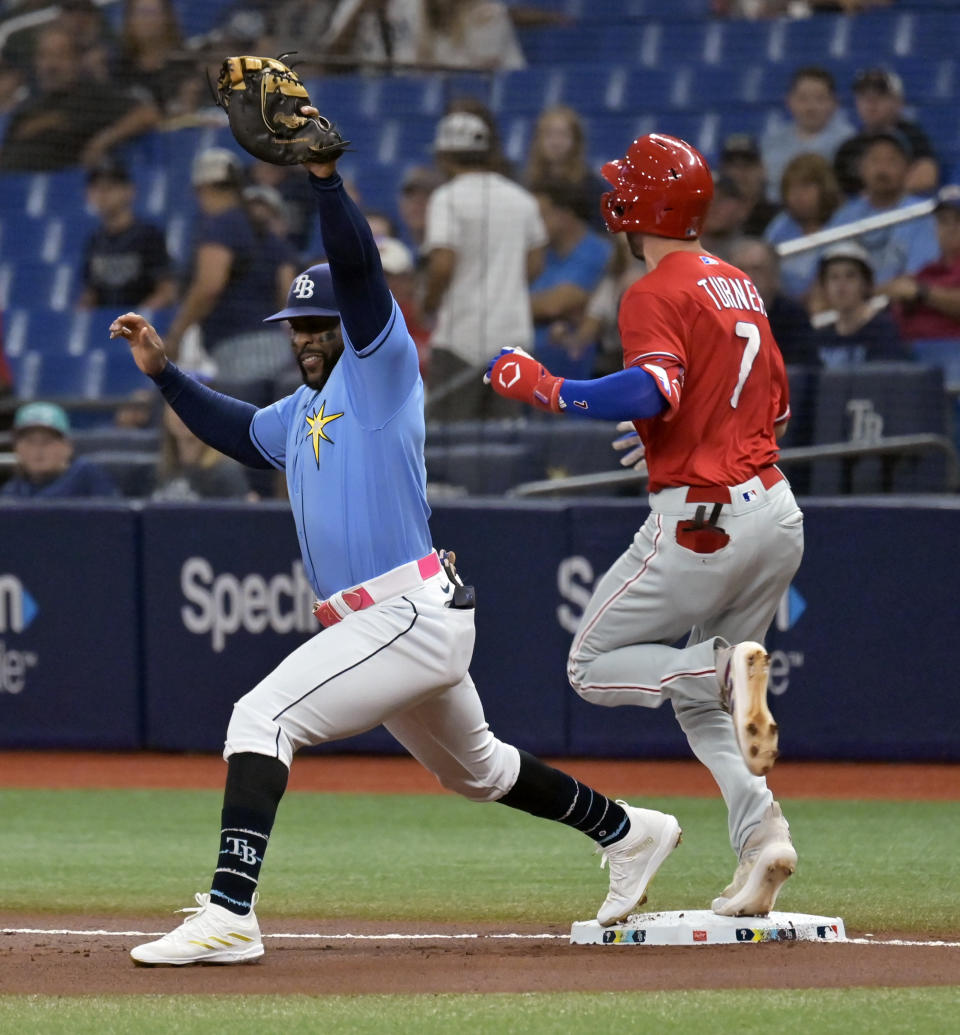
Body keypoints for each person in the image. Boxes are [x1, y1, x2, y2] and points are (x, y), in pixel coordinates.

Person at [113, 121, 684, 967]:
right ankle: (630, 830)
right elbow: (237, 431)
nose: (305, 335)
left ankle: (232, 911)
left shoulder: (378, 371)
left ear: (347, 325)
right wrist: (165, 374)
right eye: (295, 325)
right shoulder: (300, 409)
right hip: (393, 619)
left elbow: (358, 272)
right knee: (478, 769)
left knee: (259, 716)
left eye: (317, 322)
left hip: (403, 610)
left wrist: (322, 182)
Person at [486, 132, 802, 919]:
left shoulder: (652, 288)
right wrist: (667, 435)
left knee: (590, 665)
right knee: (704, 704)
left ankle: (723, 668)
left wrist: (552, 387)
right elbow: (772, 410)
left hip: (703, 520)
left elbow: (656, 387)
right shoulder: (738, 282)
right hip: (775, 510)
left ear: (636, 205)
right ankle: (765, 840)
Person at [422, 111, 547, 420]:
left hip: (459, 338)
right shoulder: (522, 199)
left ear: (444, 156)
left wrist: (429, 302)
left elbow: (442, 265)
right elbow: (535, 263)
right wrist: (502, 286)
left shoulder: (446, 198)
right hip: (513, 338)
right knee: (503, 446)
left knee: (448, 443)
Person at [163, 148, 299, 398]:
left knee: (244, 431)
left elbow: (209, 286)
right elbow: (287, 294)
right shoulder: (265, 232)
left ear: (202, 188)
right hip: (279, 351)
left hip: (238, 354)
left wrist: (176, 335)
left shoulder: (219, 225)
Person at [0, 22, 158, 171]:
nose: (50, 65)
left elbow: (147, 114)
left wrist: (102, 141)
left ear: (77, 61)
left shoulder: (93, 96)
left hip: (61, 189)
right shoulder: (27, 105)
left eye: (60, 56)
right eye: (44, 56)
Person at [826, 130, 939, 287]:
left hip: (899, 307)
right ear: (861, 168)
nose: (882, 169)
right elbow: (824, 273)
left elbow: (917, 279)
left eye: (892, 161)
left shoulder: (922, 214)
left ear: (908, 169)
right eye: (875, 160)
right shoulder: (845, 216)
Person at [529, 178, 612, 380]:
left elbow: (554, 305)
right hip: (524, 357)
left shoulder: (597, 252)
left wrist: (508, 307)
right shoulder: (539, 251)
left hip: (567, 366)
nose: (532, 224)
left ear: (565, 216)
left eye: (540, 216)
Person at [78, 156, 177, 311]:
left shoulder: (148, 236)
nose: (102, 194)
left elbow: (167, 291)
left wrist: (137, 319)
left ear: (129, 191)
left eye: (110, 187)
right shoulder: (95, 241)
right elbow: (91, 293)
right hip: (107, 329)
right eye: (96, 188)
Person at [834, 67, 939, 199]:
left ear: (898, 102)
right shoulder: (848, 147)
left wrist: (882, 198)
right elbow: (837, 192)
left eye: (880, 95)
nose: (871, 102)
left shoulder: (912, 136)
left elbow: (927, 176)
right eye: (864, 96)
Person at [759, 66, 854, 203]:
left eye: (819, 99)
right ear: (789, 101)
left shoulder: (849, 143)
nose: (811, 107)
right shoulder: (771, 142)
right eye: (802, 98)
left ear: (834, 102)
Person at [812, 241, 910, 368]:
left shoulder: (883, 330)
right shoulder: (821, 337)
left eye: (850, 276)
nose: (841, 285)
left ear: (866, 284)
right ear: (824, 287)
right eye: (833, 277)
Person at [763, 153, 842, 304]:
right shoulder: (781, 225)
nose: (797, 195)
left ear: (824, 188)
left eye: (806, 186)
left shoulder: (841, 223)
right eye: (791, 188)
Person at [727, 237, 819, 367]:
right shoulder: (715, 315)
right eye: (741, 269)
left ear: (774, 276)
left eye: (757, 269)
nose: (748, 277)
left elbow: (803, 372)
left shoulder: (793, 317)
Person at [0, 401, 119, 499]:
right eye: (29, 442)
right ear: (16, 448)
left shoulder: (87, 476)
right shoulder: (11, 491)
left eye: (46, 441)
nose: (38, 449)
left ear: (67, 446)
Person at [524, 105, 607, 231]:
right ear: (538, 140)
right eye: (549, 135)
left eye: (563, 135)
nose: (556, 142)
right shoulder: (528, 181)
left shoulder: (589, 184)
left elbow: (603, 231)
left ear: (576, 141)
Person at [152, 402, 255, 501]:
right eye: (174, 405)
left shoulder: (226, 471)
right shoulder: (159, 468)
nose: (181, 412)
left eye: (192, 407)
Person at [716, 134, 779, 237]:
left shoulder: (776, 216)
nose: (739, 174)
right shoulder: (712, 217)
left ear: (762, 170)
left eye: (747, 166)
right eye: (733, 166)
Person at [698, 176, 751, 264]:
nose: (713, 205)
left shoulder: (753, 256)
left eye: (723, 198)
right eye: (707, 198)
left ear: (743, 208)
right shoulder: (679, 249)